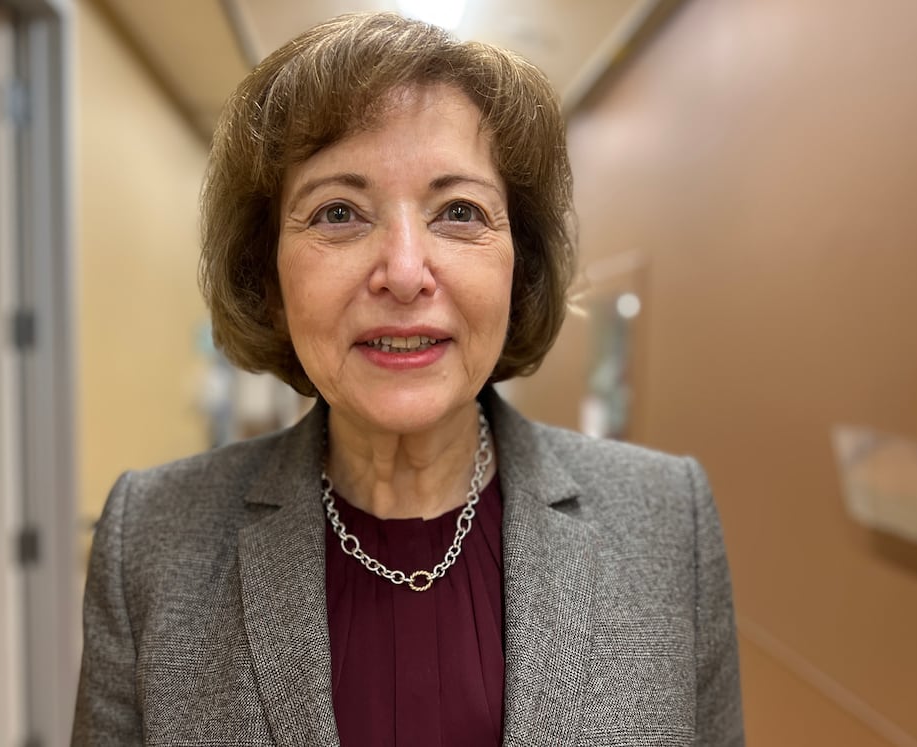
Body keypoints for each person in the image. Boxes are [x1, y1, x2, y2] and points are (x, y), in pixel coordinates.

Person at [73, 11, 742, 747]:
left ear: (519, 270)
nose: (402, 271)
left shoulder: (666, 521)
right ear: (268, 276)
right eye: (338, 212)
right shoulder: (153, 539)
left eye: (458, 211)